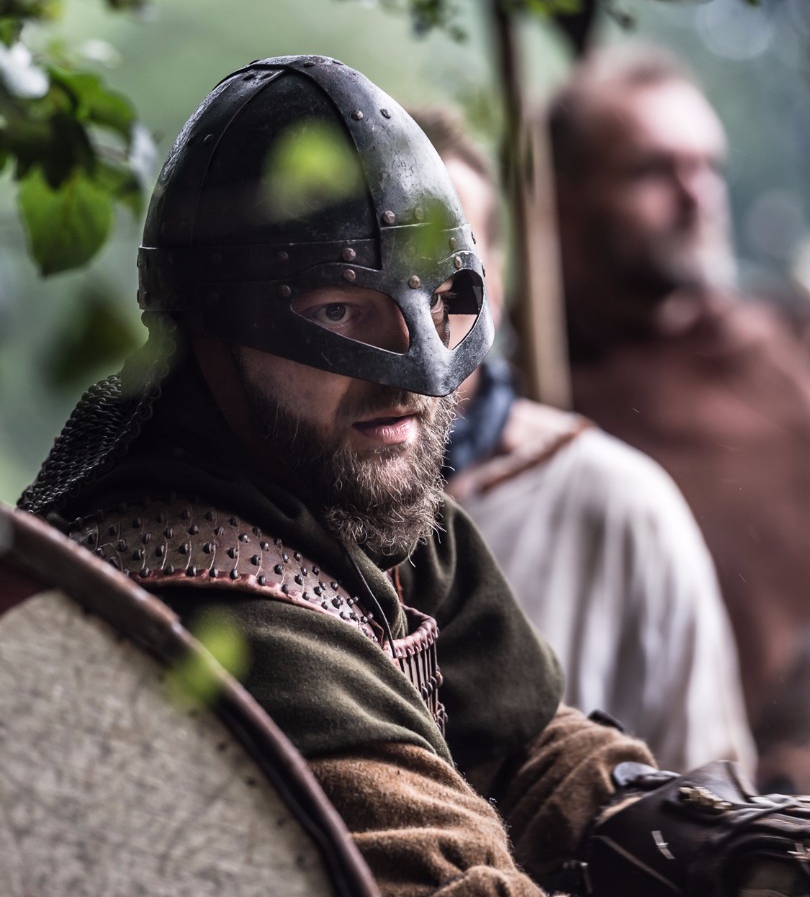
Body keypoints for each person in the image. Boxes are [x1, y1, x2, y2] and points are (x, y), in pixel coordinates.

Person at [17, 55, 804, 896]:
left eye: (435, 304)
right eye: (339, 310)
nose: (413, 375)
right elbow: (437, 872)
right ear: (210, 328)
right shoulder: (210, 604)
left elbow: (528, 749)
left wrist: (727, 852)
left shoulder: (338, 500)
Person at [410, 105, 755, 775]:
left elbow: (707, 786)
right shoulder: (269, 515)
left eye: (439, 271)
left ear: (493, 287)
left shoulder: (619, 503)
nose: (407, 316)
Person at [548, 45, 810, 792]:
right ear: (563, 201)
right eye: (653, 171)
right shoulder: (531, 407)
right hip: (639, 813)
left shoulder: (794, 351)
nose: (697, 196)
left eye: (707, 166)